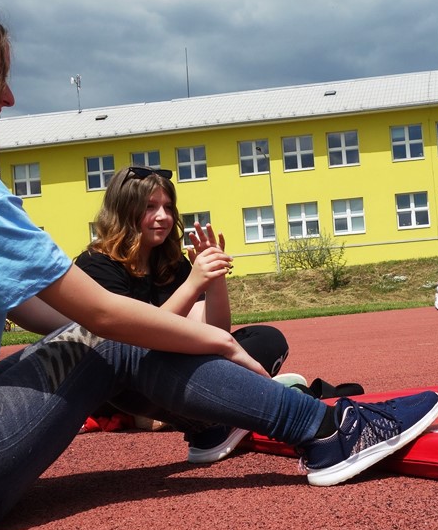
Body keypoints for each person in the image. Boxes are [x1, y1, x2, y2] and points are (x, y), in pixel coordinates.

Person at [0, 0, 438, 530]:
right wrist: (217, 342)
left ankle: (211, 423)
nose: (9, 95)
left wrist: (161, 352)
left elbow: (43, 317)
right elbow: (101, 316)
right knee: (111, 337)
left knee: (102, 341)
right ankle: (327, 431)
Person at [75, 166, 291, 462]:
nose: (163, 216)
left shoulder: (171, 264)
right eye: (150, 207)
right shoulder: (96, 265)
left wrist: (214, 278)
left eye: (168, 207)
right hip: (126, 381)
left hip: (175, 366)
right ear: (124, 210)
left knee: (266, 340)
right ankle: (221, 412)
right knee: (136, 379)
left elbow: (216, 331)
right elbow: (136, 340)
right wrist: (192, 284)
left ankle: (212, 414)